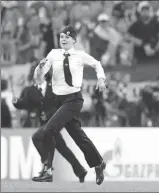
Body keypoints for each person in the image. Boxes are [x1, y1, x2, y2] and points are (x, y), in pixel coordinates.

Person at [32, 25, 107, 185]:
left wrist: (101, 79)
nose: (63, 39)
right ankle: (98, 163)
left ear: (74, 40)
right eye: (61, 37)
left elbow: (97, 64)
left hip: (73, 99)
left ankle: (48, 170)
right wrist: (39, 69)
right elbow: (39, 77)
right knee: (78, 136)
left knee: (49, 130)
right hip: (58, 101)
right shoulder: (53, 54)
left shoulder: (80, 55)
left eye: (67, 36)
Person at [15, 71, 87, 182]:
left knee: (36, 137)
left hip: (57, 120)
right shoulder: (32, 91)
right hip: (46, 123)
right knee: (62, 148)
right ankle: (80, 170)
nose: (36, 77)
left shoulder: (54, 87)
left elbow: (62, 104)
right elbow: (24, 103)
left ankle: (47, 166)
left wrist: (48, 114)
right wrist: (16, 102)